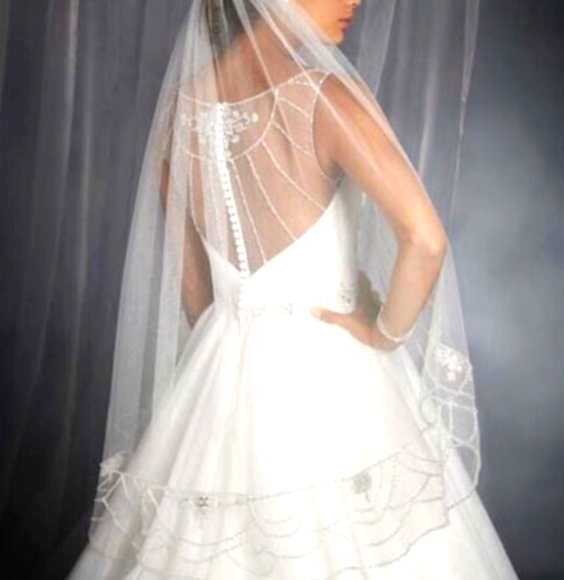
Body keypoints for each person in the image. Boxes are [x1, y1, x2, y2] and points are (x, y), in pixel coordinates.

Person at [68, 0, 519, 578]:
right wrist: (383, 335)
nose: (353, 0)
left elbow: (194, 293)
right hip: (334, 371)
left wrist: (233, 363)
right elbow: (425, 240)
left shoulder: (179, 111)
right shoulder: (321, 98)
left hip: (219, 373)